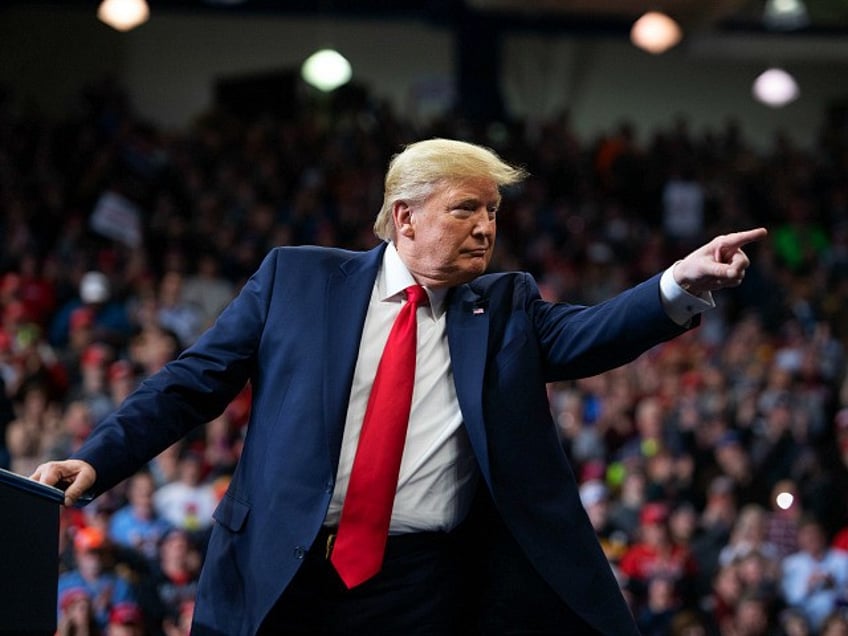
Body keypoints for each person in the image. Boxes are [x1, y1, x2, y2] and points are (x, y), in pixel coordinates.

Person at [33, 138, 767, 635]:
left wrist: (678, 283)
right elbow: (192, 382)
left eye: (493, 213)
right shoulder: (297, 278)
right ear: (405, 217)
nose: (486, 229)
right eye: (466, 209)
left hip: (423, 586)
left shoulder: (506, 304)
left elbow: (596, 335)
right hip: (281, 573)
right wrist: (99, 460)